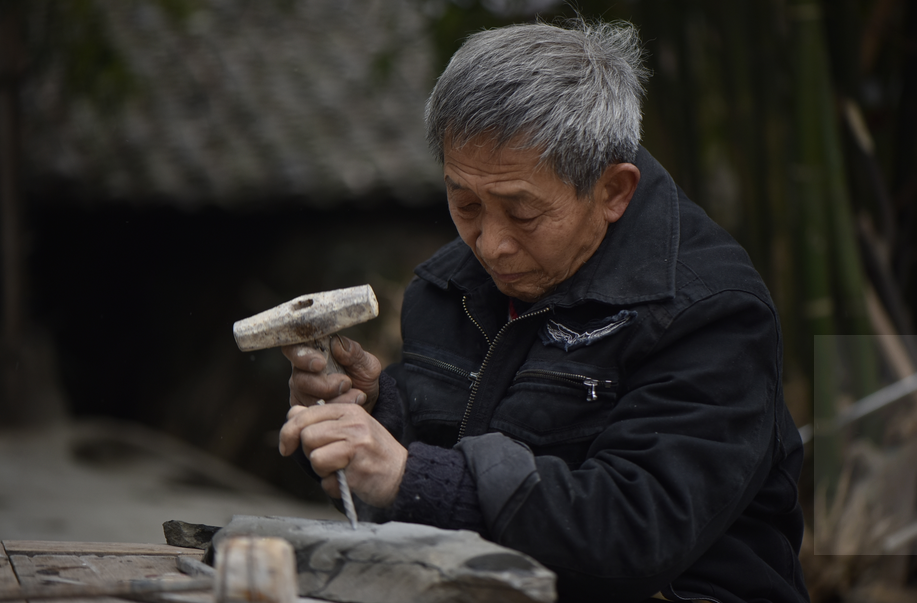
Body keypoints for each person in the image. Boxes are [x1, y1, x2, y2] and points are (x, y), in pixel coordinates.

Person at [277, 19, 809, 603]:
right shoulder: (451, 286)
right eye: (465, 203)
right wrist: (374, 419)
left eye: (522, 213)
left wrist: (408, 476)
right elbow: (462, 445)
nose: (490, 245)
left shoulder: (711, 314)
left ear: (613, 192)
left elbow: (633, 535)